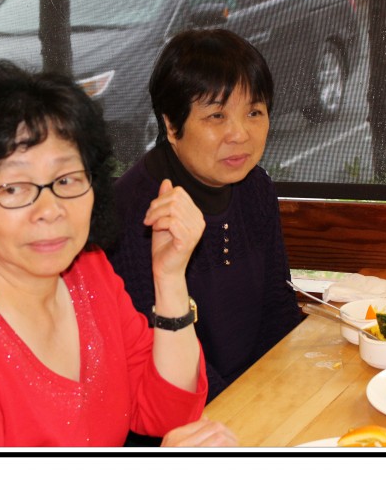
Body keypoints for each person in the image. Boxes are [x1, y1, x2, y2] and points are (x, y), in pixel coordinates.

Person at [0, 60, 236, 447]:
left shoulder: (86, 271)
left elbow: (166, 411)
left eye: (66, 179)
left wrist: (169, 279)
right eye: (14, 187)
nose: (50, 210)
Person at [107, 29, 303, 403]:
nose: (240, 134)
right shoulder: (136, 216)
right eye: (216, 115)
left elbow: (277, 307)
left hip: (255, 398)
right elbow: (154, 355)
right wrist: (244, 414)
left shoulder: (255, 186)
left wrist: (289, 388)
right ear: (171, 125)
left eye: (254, 112)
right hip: (182, 415)